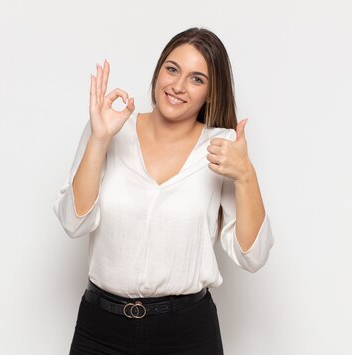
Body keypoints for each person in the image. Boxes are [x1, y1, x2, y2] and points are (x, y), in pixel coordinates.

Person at [53, 27, 274, 355]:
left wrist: (246, 176)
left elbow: (251, 257)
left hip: (186, 333)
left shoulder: (222, 147)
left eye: (197, 79)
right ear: (158, 72)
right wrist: (99, 139)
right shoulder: (110, 128)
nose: (178, 86)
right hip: (101, 329)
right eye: (172, 69)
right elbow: (74, 222)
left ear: (211, 93)